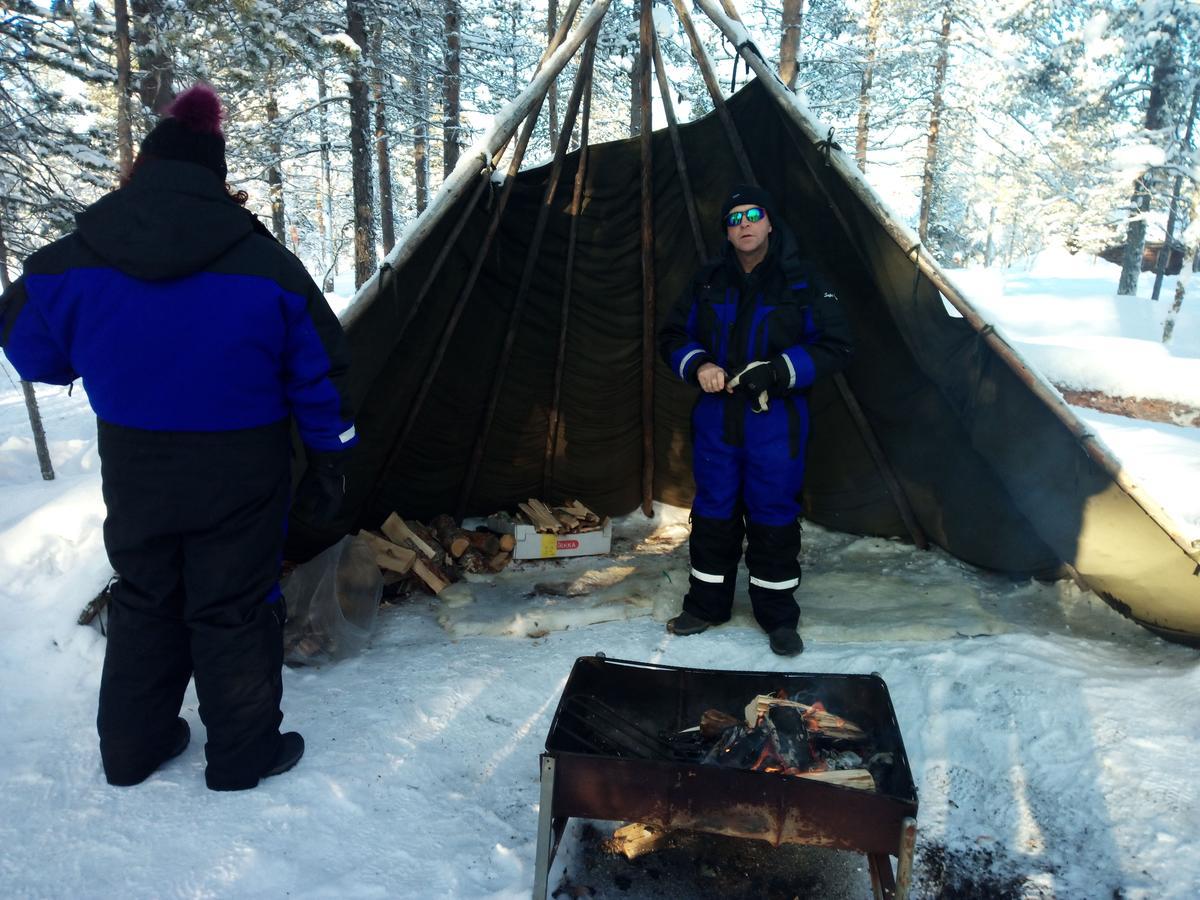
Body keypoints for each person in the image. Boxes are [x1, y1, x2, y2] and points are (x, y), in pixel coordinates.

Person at [0, 84, 356, 790]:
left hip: (135, 458)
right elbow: (321, 372)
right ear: (217, 179)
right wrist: (329, 457)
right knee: (233, 603)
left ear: (143, 168)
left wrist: (95, 354)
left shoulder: (69, 259)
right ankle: (241, 755)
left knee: (146, 595)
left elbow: (30, 347)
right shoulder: (267, 264)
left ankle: (132, 750)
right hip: (241, 463)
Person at [658, 184, 853, 656]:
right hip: (716, 419)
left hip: (776, 421)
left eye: (752, 215)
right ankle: (706, 605)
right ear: (727, 231)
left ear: (769, 223)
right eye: (734, 218)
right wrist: (700, 364)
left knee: (772, 514)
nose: (744, 224)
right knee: (713, 511)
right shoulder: (708, 282)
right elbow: (672, 334)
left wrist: (779, 370)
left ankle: (777, 616)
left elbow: (836, 345)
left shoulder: (802, 282)